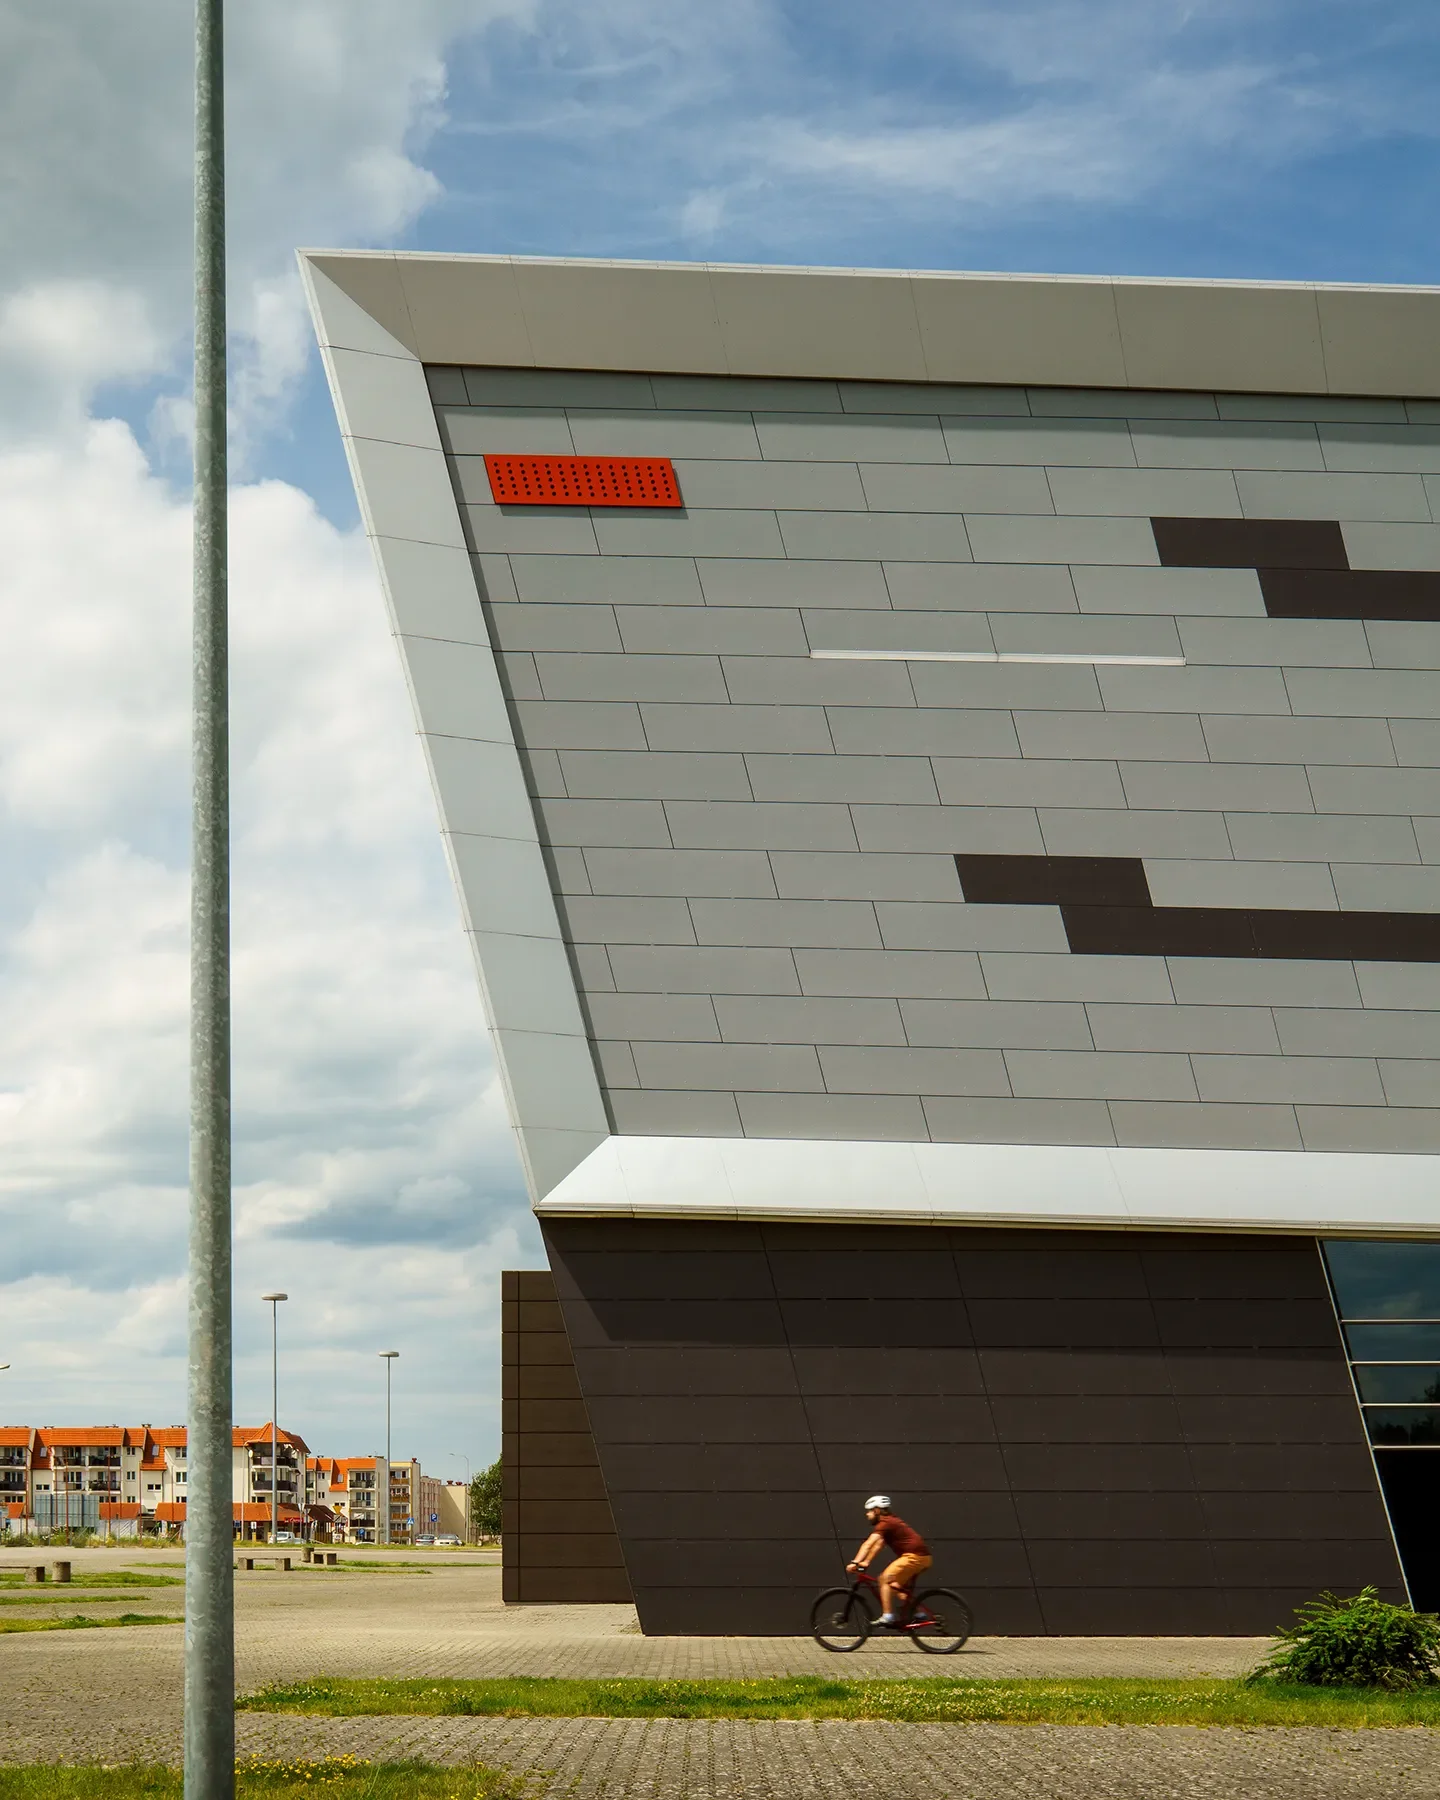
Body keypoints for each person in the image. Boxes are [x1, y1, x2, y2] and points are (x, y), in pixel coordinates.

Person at [847, 1494, 932, 1627]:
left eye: (869, 1511)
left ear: (877, 1510)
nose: (867, 1514)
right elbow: (878, 1545)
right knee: (893, 1585)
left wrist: (855, 1562)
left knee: (885, 1579)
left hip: (914, 1557)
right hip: (921, 1558)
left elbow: (868, 1544)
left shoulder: (885, 1523)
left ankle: (888, 1616)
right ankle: (919, 1613)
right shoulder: (891, 1522)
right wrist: (867, 1561)